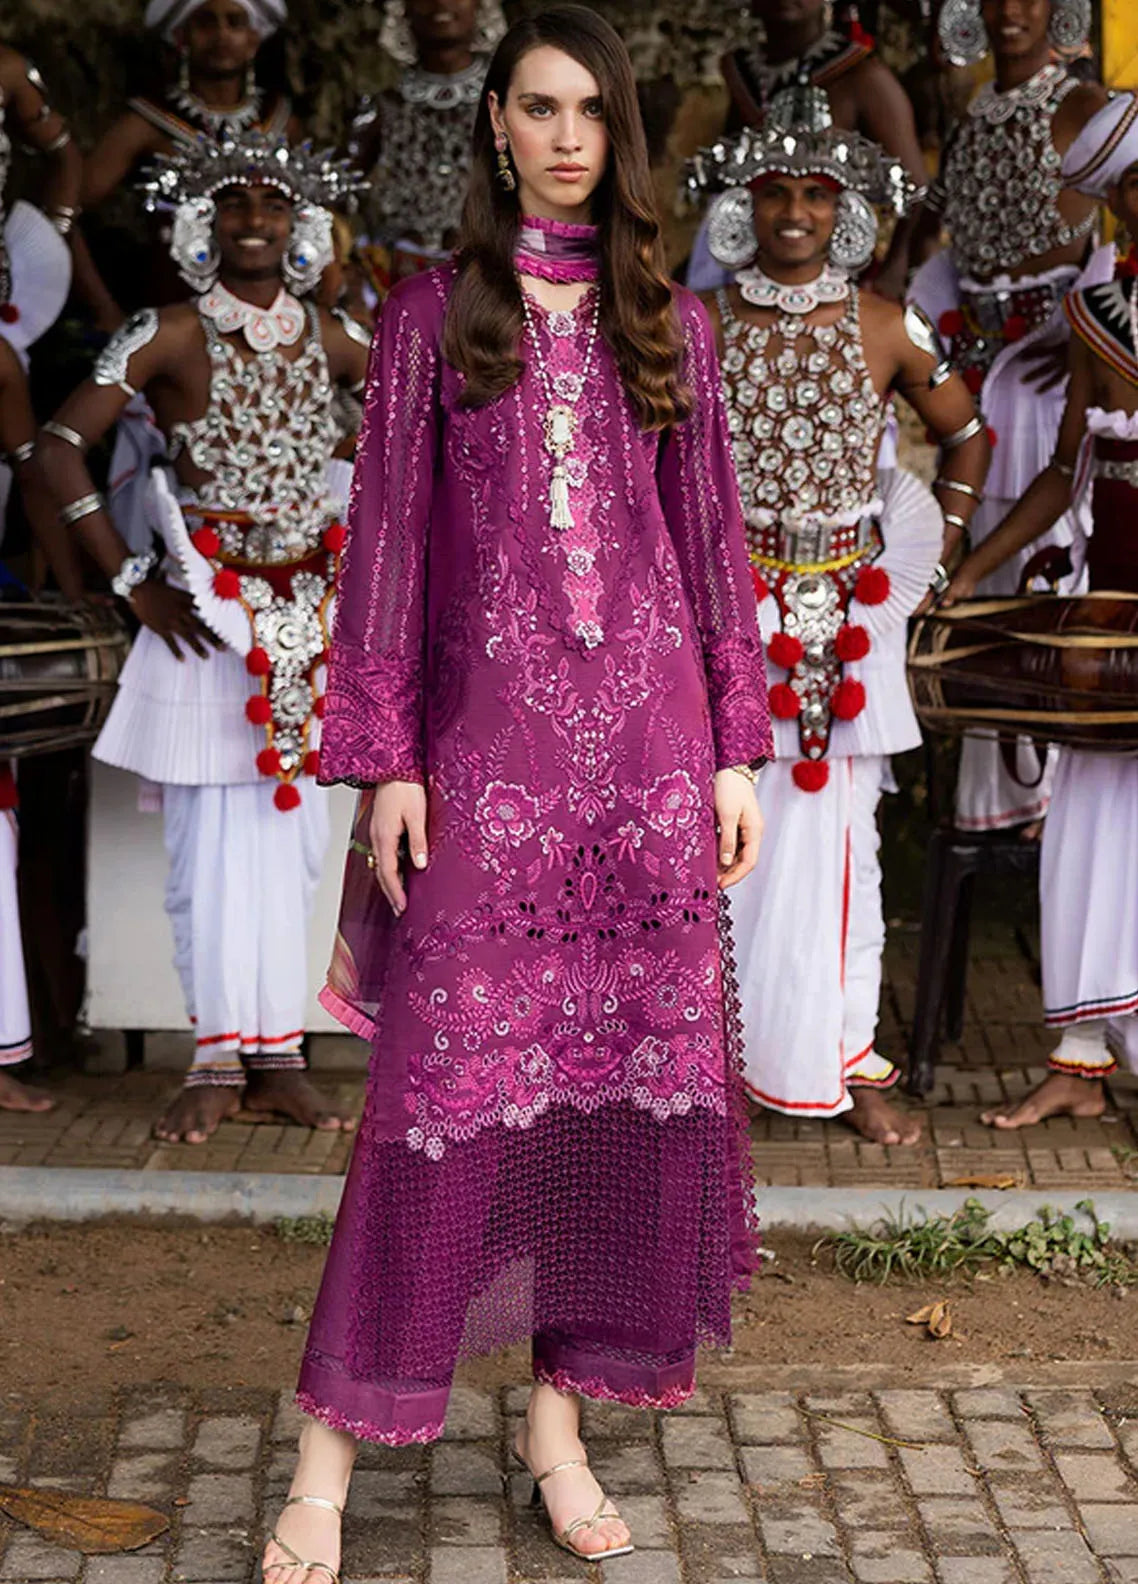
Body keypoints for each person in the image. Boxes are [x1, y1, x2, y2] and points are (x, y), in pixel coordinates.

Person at [262, 9, 771, 1580]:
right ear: (493, 123)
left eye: (589, 113)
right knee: (433, 1101)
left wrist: (733, 750)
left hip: (646, 770)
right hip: (487, 779)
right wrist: (386, 761)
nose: (564, 138)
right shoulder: (432, 316)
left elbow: (710, 542)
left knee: (609, 1108)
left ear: (620, 134)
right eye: (538, 109)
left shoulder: (669, 324)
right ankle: (324, 1461)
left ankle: (556, 1436)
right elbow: (386, 551)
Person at [36, 129, 368, 1145]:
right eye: (233, 204)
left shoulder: (337, 335)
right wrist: (130, 578)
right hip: (204, 619)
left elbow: (427, 424)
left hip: (309, 623)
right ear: (202, 224)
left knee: (294, 849)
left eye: (272, 204)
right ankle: (217, 1060)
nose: (254, 221)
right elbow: (58, 447)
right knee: (209, 854)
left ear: (301, 224)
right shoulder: (168, 332)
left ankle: (279, 1058)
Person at [688, 85, 989, 1143]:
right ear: (745, 205)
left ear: (845, 211)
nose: (794, 214)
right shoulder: (699, 324)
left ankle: (842, 1057)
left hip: (847, 625)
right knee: (714, 841)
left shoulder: (885, 324)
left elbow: (967, 434)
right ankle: (713, 1065)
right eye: (775, 193)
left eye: (816, 195)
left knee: (843, 849)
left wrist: (944, 540)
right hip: (727, 616)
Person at [943, 93, 1138, 1127]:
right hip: (1113, 607)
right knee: (1091, 819)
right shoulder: (1097, 318)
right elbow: (1065, 470)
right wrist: (972, 569)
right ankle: (1079, 1062)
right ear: (1120, 204)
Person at [909, 0, 1112, 834]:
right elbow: (935, 244)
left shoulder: (1087, 104)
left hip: (1059, 374)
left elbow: (1115, 233)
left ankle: (1062, 793)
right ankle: (1004, 798)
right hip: (981, 375)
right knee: (989, 573)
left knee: (1051, 569)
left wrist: (1080, 329)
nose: (1011, 11)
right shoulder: (970, 118)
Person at [72, 0, 293, 331]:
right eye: (206, 23)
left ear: (254, 39)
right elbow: (64, 211)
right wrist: (103, 308)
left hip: (270, 317)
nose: (221, 35)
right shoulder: (146, 123)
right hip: (174, 314)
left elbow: (317, 220)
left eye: (235, 23)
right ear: (180, 37)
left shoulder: (281, 121)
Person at [686, 0, 926, 299]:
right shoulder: (744, 75)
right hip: (750, 268)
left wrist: (895, 267)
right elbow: (729, 174)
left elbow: (917, 187)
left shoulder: (863, 77)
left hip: (837, 274)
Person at [349, 0, 506, 291]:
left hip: (490, 282)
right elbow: (342, 193)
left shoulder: (509, 102)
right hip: (399, 283)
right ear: (402, 9)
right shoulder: (383, 107)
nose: (441, 2)